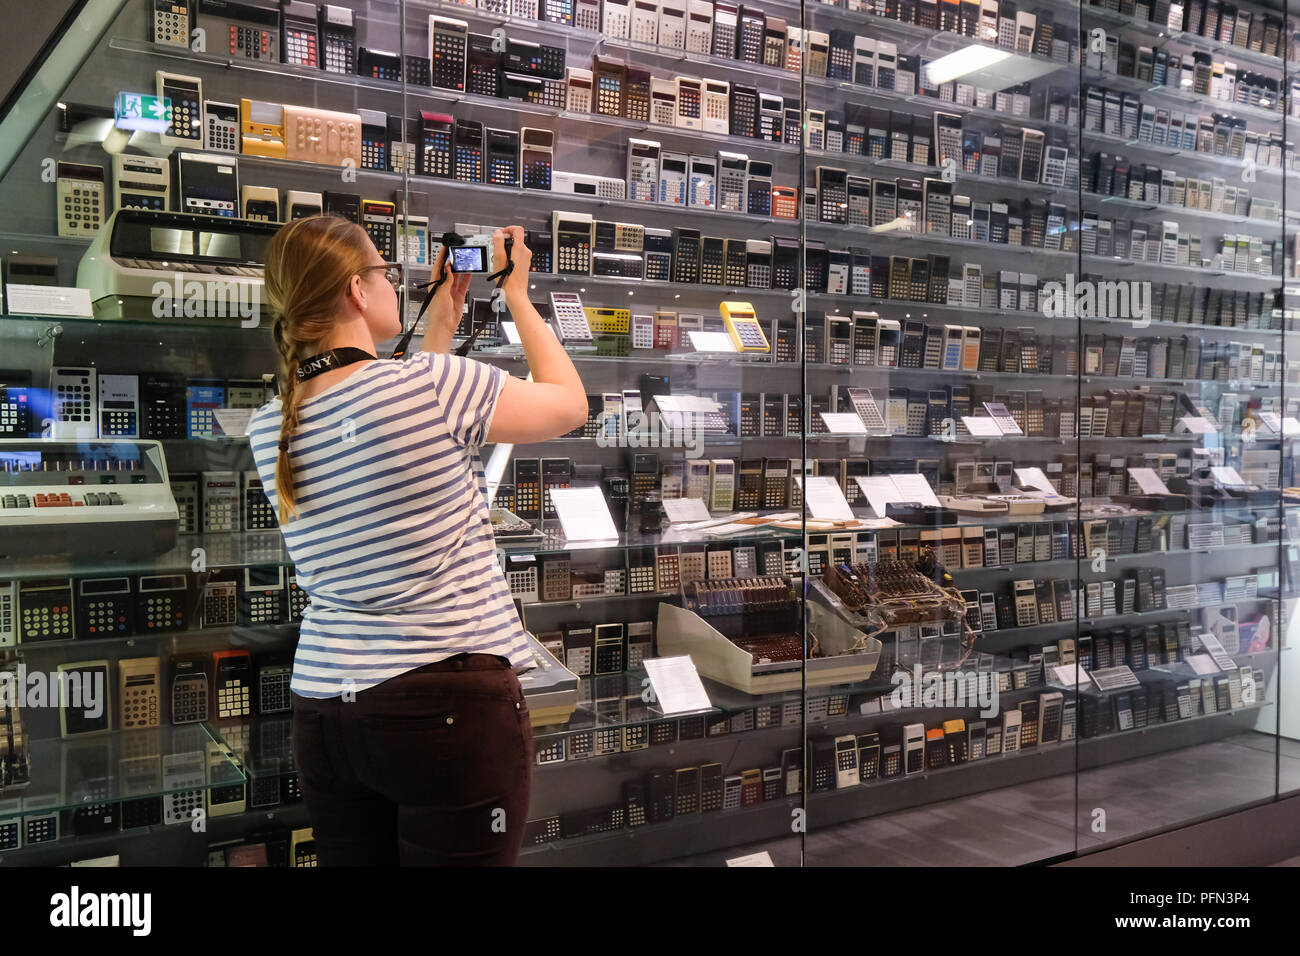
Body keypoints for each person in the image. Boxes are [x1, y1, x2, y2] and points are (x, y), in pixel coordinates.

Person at [247, 217, 587, 865]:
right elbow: (570, 404)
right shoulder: (431, 387)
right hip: (446, 709)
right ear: (355, 290)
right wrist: (517, 293)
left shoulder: (272, 426)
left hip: (327, 711)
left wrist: (443, 315)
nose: (391, 284)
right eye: (382, 272)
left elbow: (394, 414)